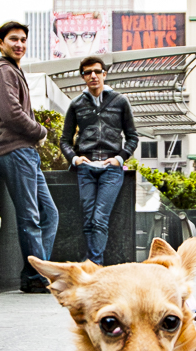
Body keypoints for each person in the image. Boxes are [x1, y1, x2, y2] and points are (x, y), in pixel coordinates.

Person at [0, 21, 59, 293]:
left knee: (50, 214)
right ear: (0, 42)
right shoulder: (2, 71)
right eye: (13, 39)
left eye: (23, 40)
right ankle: (38, 277)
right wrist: (40, 131)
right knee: (30, 217)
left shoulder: (13, 70)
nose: (19, 44)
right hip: (14, 150)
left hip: (26, 152)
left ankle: (34, 272)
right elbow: (12, 113)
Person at [60, 56, 139, 265]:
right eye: (87, 72)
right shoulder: (76, 104)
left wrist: (119, 159)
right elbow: (64, 140)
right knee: (88, 219)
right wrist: (74, 158)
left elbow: (133, 137)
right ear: (83, 77)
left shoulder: (119, 101)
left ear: (104, 74)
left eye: (97, 71)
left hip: (111, 169)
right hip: (86, 168)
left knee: (99, 218)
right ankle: (93, 265)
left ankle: (95, 265)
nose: (93, 76)